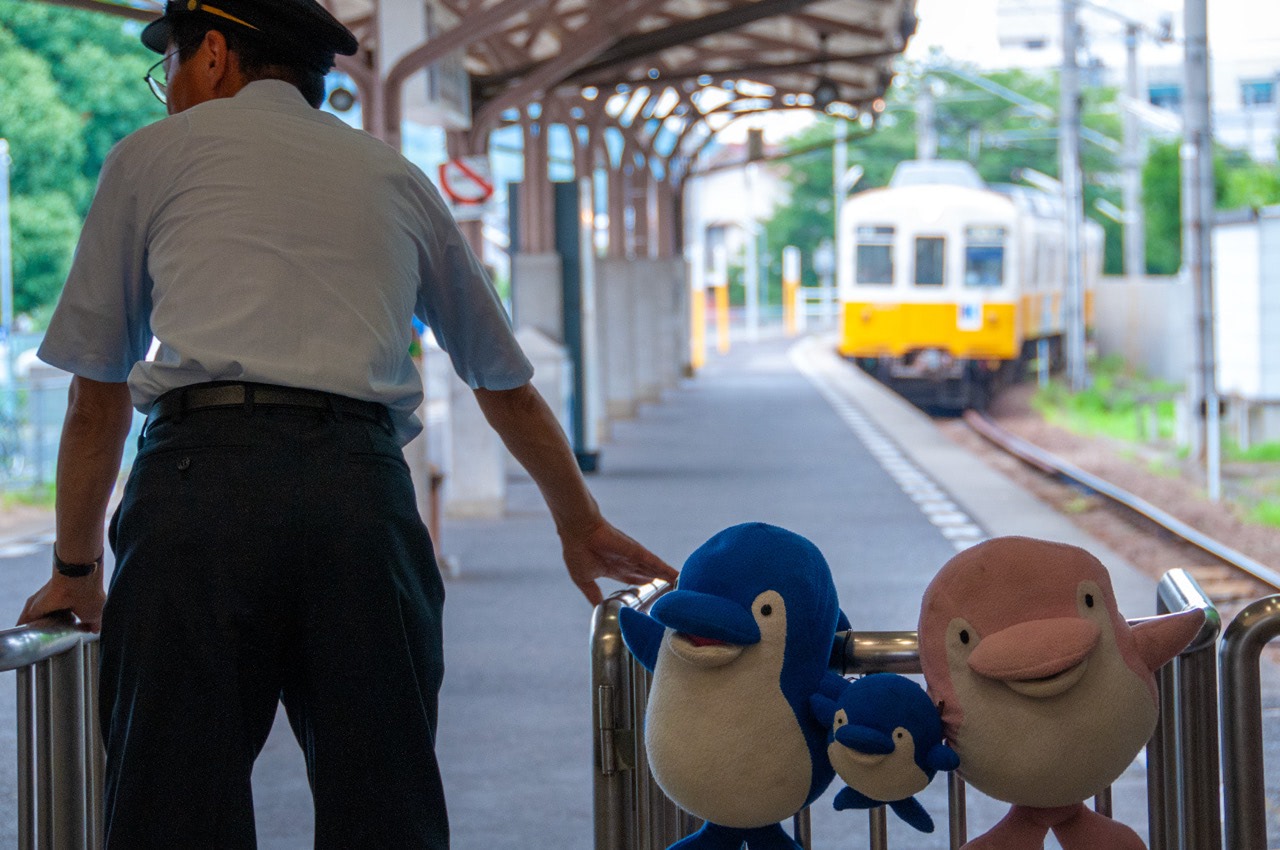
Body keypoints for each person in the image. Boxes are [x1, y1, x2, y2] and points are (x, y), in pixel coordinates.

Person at [17, 1, 677, 847]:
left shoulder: (149, 157)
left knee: (173, 802)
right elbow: (501, 379)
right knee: (385, 800)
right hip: (358, 494)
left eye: (170, 66)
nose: (169, 89)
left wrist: (76, 566)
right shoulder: (393, 176)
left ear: (214, 55)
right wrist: (578, 523)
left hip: (200, 491)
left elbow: (95, 390)